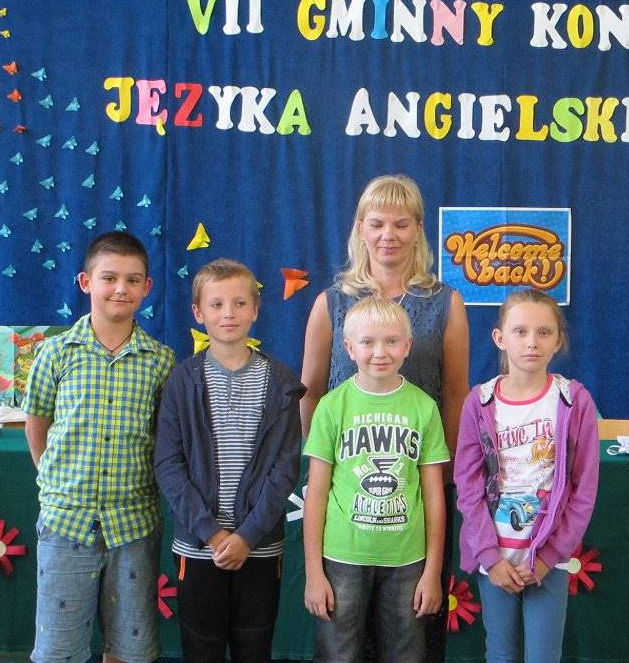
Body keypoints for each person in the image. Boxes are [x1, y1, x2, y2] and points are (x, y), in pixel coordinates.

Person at [300, 173, 469, 660]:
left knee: (410, 628)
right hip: (347, 494)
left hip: (417, 487)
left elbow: (455, 394)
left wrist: (444, 478)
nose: (388, 235)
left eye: (401, 223)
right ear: (361, 228)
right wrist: (323, 466)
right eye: (377, 224)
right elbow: (311, 391)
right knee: (344, 627)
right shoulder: (330, 303)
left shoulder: (445, 303)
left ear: (418, 229)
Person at [23, 231, 175, 663]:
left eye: (132, 280)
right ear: (86, 282)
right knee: (59, 647)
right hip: (66, 521)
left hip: (133, 523)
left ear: (147, 287)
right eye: (109, 278)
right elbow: (37, 422)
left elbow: (163, 437)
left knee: (130, 645)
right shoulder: (55, 353)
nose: (120, 288)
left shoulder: (161, 361)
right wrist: (52, 480)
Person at [155, 258, 304, 663]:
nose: (229, 313)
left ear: (255, 310)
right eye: (217, 304)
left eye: (239, 303)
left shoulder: (281, 382)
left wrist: (246, 535)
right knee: (200, 648)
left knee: (254, 647)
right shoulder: (181, 381)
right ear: (198, 313)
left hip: (259, 547)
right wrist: (213, 533)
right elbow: (168, 465)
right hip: (199, 547)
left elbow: (285, 468)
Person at [454, 289, 599, 663]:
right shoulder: (479, 402)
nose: (532, 342)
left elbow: (584, 490)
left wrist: (549, 556)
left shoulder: (573, 401)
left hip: (547, 558)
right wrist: (490, 557)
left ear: (558, 340)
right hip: (495, 557)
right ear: (499, 337)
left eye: (544, 332)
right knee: (501, 653)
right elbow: (468, 486)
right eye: (520, 331)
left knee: (543, 656)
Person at [303, 297, 449, 663]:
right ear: (349, 348)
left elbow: (434, 497)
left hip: (407, 558)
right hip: (341, 555)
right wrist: (313, 573)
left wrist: (433, 572)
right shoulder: (331, 407)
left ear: (408, 346)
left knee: (406, 654)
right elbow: (315, 495)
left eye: (391, 341)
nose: (380, 352)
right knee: (338, 654)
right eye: (367, 342)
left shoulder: (423, 408)